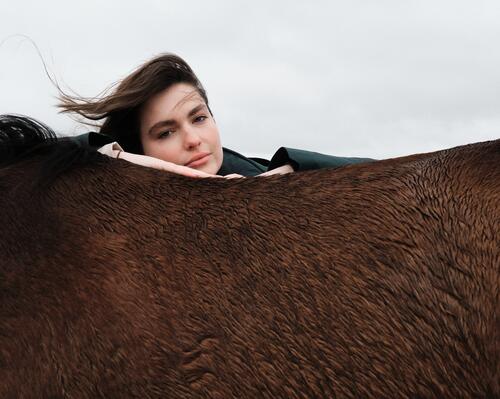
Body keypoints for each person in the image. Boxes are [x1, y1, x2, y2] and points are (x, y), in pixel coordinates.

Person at [59, 53, 373, 177]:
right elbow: (73, 150)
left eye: (198, 118)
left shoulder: (240, 172)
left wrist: (284, 170)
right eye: (166, 132)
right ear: (139, 147)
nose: (194, 140)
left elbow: (384, 172)